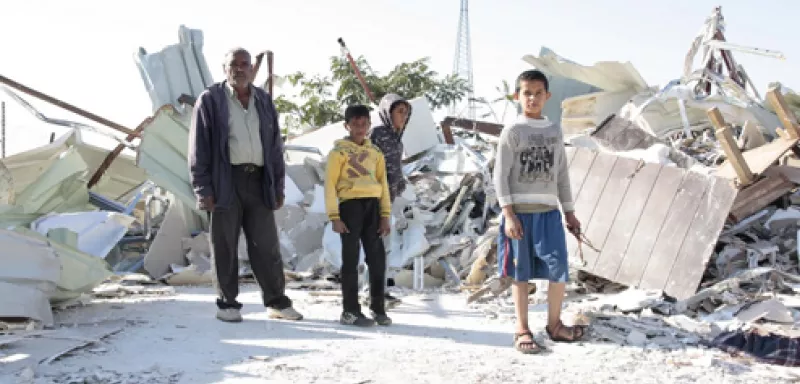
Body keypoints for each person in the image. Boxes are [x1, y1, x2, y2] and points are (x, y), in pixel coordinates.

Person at [188, 47, 303, 323]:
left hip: (259, 180)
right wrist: (203, 189)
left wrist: (277, 186)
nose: (240, 69)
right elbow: (198, 148)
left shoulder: (263, 100)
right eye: (234, 64)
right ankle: (227, 304)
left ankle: (276, 302)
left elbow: (274, 145)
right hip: (225, 180)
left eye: (244, 64)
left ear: (252, 68)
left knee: (266, 245)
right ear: (225, 68)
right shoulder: (210, 100)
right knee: (225, 244)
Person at [493, 69, 587, 354]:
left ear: (547, 96)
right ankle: (522, 328)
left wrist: (569, 212)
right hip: (520, 214)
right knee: (521, 274)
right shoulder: (513, 131)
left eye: (537, 93)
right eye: (526, 93)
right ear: (517, 96)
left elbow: (561, 175)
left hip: (549, 213)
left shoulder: (554, 130)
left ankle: (554, 325)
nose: (532, 98)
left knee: (558, 269)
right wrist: (509, 214)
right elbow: (500, 175)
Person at [324, 104, 393, 327]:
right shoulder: (338, 153)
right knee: (351, 260)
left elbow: (383, 184)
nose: (360, 128)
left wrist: (385, 214)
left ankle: (378, 308)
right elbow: (330, 185)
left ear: (369, 125)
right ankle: (350, 311)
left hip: (372, 207)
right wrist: (334, 216)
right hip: (350, 207)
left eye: (364, 124)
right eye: (355, 124)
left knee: (377, 260)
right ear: (347, 126)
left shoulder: (375, 153)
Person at [367, 93, 412, 307]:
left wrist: (400, 183)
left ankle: (379, 290)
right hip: (374, 199)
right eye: (399, 111)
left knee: (383, 247)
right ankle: (373, 293)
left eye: (406, 112)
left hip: (389, 200)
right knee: (375, 246)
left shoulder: (396, 138)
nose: (403, 116)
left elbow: (395, 168)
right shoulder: (377, 134)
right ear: (387, 112)